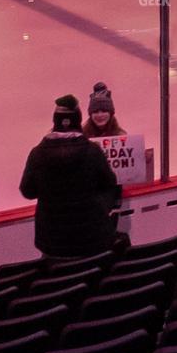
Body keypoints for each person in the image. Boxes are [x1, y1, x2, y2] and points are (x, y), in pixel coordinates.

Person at [20, 97, 123, 257]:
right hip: (91, 236)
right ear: (78, 120)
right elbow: (109, 183)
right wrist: (102, 207)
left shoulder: (38, 153)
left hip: (53, 239)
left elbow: (28, 191)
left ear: (55, 122)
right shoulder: (92, 151)